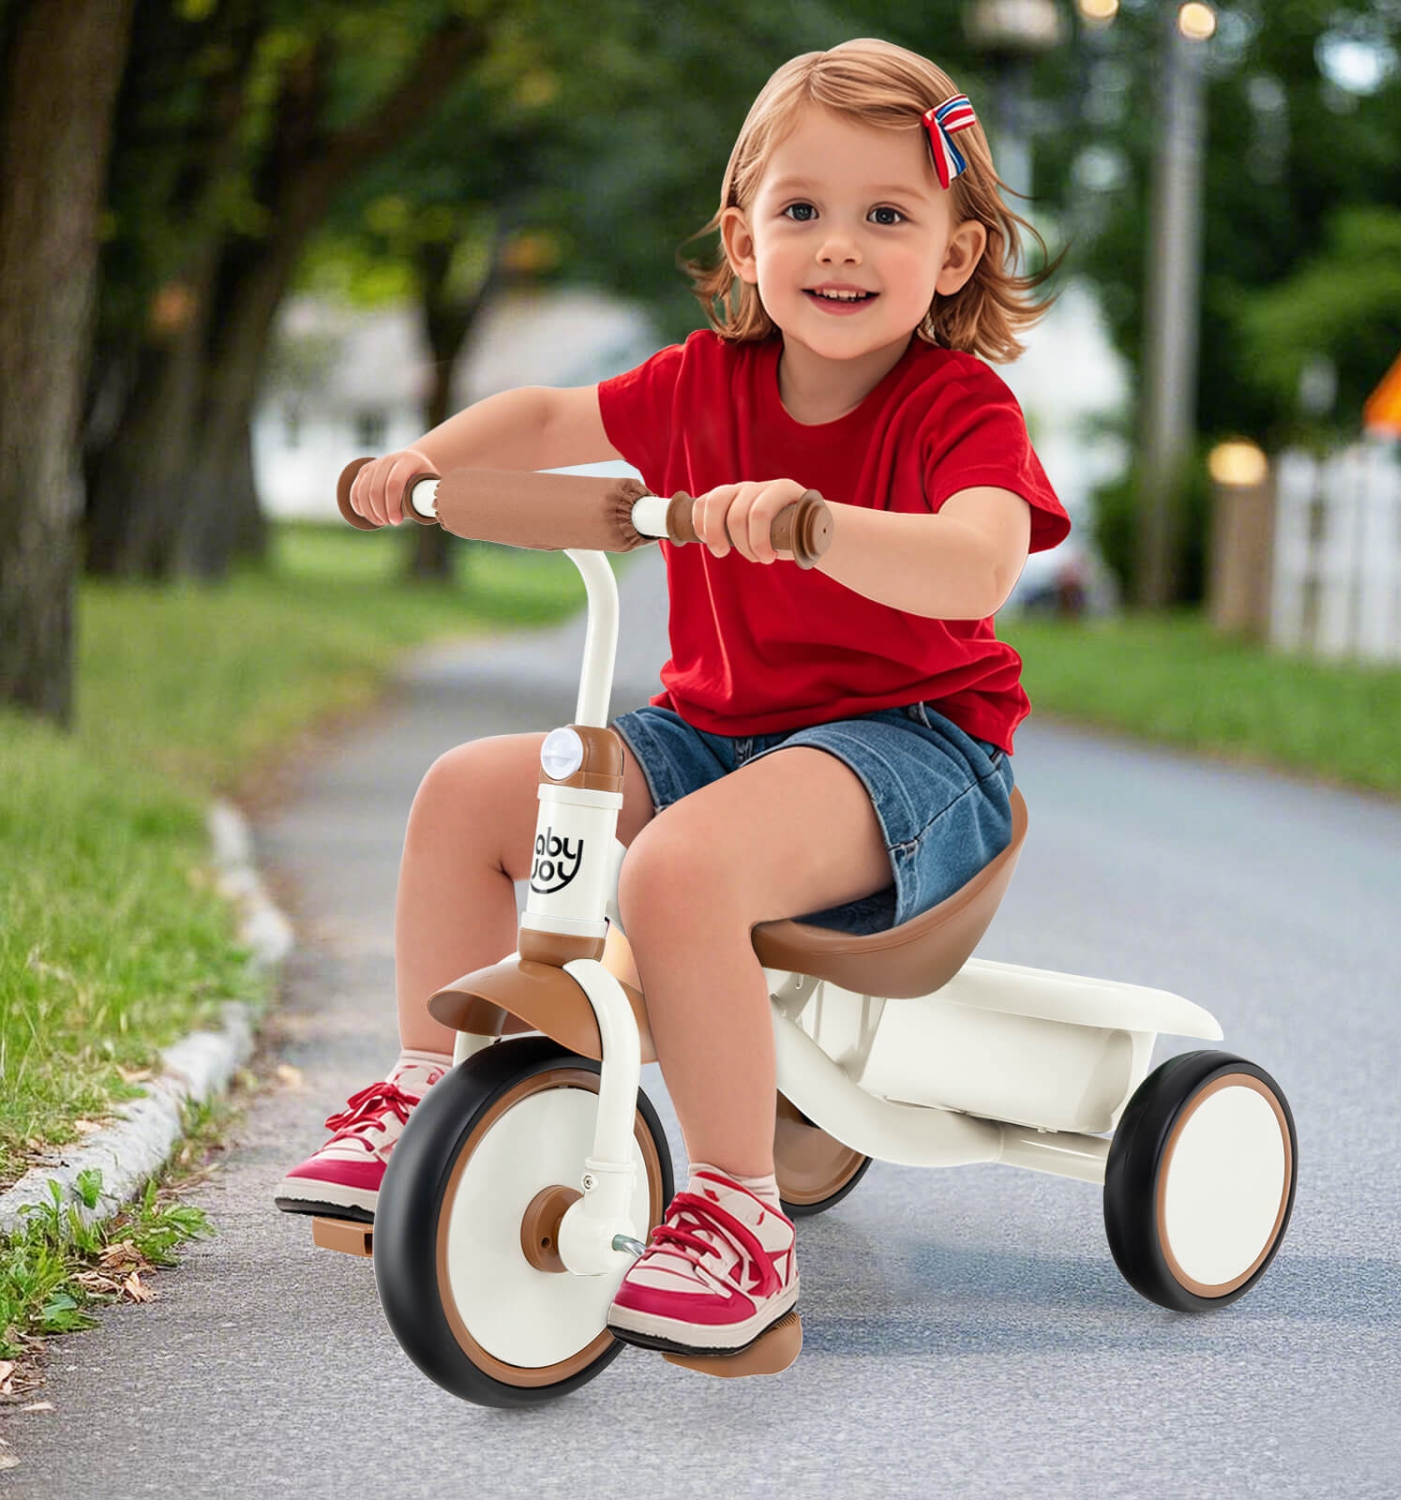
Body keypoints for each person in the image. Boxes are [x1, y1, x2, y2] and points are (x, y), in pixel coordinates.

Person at [276, 36, 1069, 1363]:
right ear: (744, 238)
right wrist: (421, 462)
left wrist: (818, 525)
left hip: (915, 753)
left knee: (680, 870)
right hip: (714, 732)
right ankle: (426, 1093)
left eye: (888, 215)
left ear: (955, 253)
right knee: (471, 790)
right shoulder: (706, 385)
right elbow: (541, 420)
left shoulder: (957, 407)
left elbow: (980, 558)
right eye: (801, 210)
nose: (839, 245)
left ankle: (737, 1221)